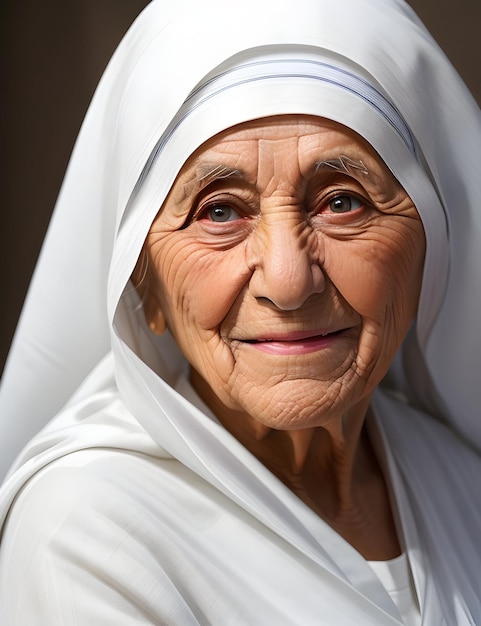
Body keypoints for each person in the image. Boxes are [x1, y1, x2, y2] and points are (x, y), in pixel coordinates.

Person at [0, 0, 480, 623]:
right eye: (219, 212)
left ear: (431, 253)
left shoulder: (461, 480)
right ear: (143, 289)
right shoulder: (87, 536)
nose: (287, 282)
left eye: (342, 202)